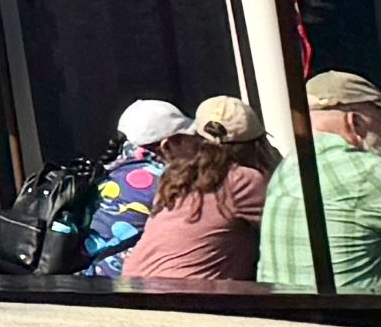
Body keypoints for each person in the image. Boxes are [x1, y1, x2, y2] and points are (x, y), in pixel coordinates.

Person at [118, 109, 274, 293]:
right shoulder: (242, 179)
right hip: (185, 295)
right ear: (256, 145)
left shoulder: (174, 178)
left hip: (135, 286)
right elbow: (290, 222)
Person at [259, 67, 381, 293]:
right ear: (355, 123)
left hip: (284, 310)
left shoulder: (288, 168)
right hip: (355, 313)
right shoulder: (365, 171)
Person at [83, 93, 185, 277]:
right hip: (117, 284)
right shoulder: (165, 180)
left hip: (83, 276)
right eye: (186, 139)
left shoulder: (110, 171)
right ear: (167, 145)